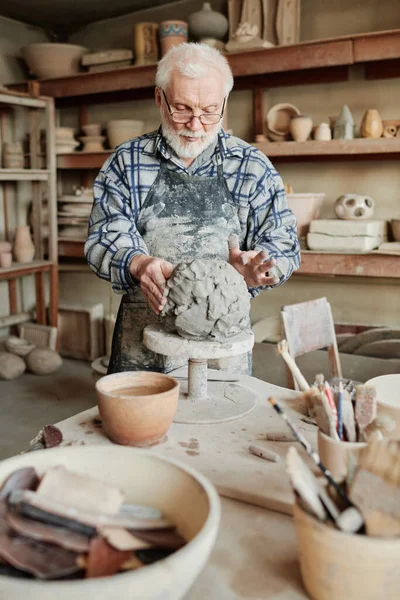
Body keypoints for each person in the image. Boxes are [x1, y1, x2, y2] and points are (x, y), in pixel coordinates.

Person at [85, 43, 300, 375]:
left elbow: (283, 244)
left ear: (225, 103)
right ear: (160, 99)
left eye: (210, 110)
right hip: (143, 342)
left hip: (221, 341)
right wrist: (138, 263)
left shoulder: (251, 165)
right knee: (138, 427)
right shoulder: (127, 162)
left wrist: (259, 269)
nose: (196, 125)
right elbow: (104, 236)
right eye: (182, 109)